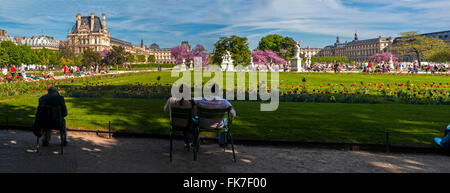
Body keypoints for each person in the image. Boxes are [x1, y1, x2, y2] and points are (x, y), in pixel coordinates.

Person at [164, 84, 194, 150]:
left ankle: (187, 142)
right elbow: (194, 113)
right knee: (190, 122)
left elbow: (165, 110)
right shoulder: (190, 101)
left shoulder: (171, 100)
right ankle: (190, 142)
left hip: (174, 123)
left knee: (182, 121)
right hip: (187, 125)